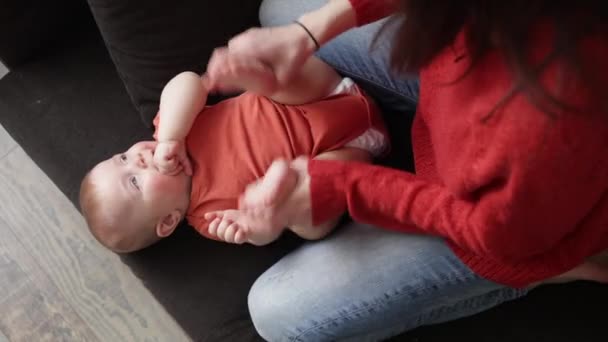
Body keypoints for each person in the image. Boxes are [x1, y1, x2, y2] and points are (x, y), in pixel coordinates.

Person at [204, 0, 608, 340]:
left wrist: (342, 186)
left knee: (276, 313)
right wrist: (308, 31)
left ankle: (540, 272)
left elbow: (493, 231)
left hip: (509, 232)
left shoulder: (555, 115)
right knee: (279, 9)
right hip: (472, 91)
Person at [78, 51, 388, 252]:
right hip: (348, 146)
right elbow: (255, 230)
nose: (137, 159)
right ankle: (292, 203)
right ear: (169, 221)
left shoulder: (171, 128)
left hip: (315, 93)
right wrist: (255, 228)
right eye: (134, 181)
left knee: (274, 78)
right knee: (310, 220)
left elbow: (189, 83)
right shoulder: (208, 218)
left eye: (123, 157)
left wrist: (173, 135)